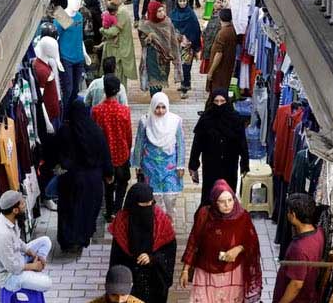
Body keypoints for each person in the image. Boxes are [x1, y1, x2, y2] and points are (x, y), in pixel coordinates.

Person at [180, 180, 262, 303]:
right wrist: (186, 269)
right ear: (214, 202)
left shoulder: (242, 217)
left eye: (230, 200)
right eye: (222, 201)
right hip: (206, 272)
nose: (227, 205)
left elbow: (252, 241)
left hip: (231, 272)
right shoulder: (204, 214)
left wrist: (239, 248)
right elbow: (194, 241)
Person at [108, 183, 177, 303]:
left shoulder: (161, 220)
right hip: (130, 278)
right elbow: (116, 255)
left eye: (150, 204)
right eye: (142, 205)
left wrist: (153, 258)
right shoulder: (122, 221)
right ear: (133, 204)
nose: (147, 209)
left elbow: (169, 249)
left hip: (155, 279)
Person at [54, 100, 114, 252]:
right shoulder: (95, 131)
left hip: (70, 179)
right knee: (86, 210)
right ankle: (81, 239)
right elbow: (105, 153)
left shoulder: (64, 131)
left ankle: (68, 240)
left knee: (69, 210)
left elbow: (56, 155)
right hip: (92, 179)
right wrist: (108, 173)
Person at [189, 89, 249, 207]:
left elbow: (242, 142)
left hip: (230, 164)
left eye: (222, 101)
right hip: (211, 164)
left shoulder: (235, 119)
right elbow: (197, 143)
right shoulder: (206, 119)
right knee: (210, 193)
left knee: (227, 191)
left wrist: (244, 163)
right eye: (216, 101)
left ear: (227, 101)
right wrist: (193, 164)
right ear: (212, 102)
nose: (219, 104)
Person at [0, 191, 53, 293]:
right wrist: (33, 266)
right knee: (47, 283)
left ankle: (36, 265)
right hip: (8, 276)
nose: (25, 205)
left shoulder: (11, 219)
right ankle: (33, 270)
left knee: (45, 241)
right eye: (22, 203)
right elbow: (12, 267)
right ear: (15, 210)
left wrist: (31, 252)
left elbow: (18, 241)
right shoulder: (2, 233)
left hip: (17, 259)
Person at [132, 92, 185, 221]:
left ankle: (169, 219)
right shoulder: (145, 121)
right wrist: (137, 164)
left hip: (170, 165)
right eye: (157, 107)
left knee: (169, 196)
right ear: (152, 106)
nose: (160, 111)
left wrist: (180, 165)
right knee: (154, 196)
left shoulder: (175, 121)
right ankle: (158, 221)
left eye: (163, 107)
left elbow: (180, 144)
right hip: (150, 165)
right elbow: (139, 142)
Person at [272, 193, 325, 303]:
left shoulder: (299, 249)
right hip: (307, 301)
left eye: (288, 212)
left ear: (293, 215)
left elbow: (296, 284)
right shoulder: (319, 232)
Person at [92, 75, 133, 220]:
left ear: (104, 89)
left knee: (108, 184)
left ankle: (109, 212)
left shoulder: (97, 111)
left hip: (105, 155)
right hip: (121, 153)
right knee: (122, 182)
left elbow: (95, 135)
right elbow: (128, 135)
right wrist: (128, 149)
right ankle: (117, 209)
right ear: (118, 92)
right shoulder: (124, 111)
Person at [137, 1, 183, 96]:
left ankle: (157, 97)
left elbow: (173, 39)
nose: (162, 13)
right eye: (159, 11)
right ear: (153, 12)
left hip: (165, 58)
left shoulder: (167, 22)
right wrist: (148, 38)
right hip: (152, 56)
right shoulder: (146, 25)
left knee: (162, 78)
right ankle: (155, 99)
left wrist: (174, 55)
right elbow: (143, 41)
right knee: (154, 80)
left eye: (163, 10)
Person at [80, 265, 153, 303]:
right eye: (114, 295)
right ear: (106, 288)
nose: (119, 300)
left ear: (131, 287)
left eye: (123, 295)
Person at [102, 0, 138, 85]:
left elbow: (113, 31)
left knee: (118, 77)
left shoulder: (120, 12)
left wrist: (102, 30)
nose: (108, 3)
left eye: (110, 0)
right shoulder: (118, 10)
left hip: (119, 50)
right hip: (117, 48)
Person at [170, 0, 201, 98]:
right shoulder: (173, 14)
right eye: (180, 1)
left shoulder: (191, 14)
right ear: (177, 2)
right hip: (177, 45)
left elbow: (196, 30)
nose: (182, 3)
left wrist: (194, 44)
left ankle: (185, 87)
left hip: (188, 46)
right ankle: (186, 83)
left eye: (184, 1)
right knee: (179, 65)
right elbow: (170, 28)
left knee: (186, 66)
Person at [206, 8, 236, 92]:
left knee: (217, 93)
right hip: (228, 68)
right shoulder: (232, 30)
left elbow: (219, 54)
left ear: (220, 18)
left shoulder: (222, 33)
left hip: (219, 70)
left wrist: (211, 71)